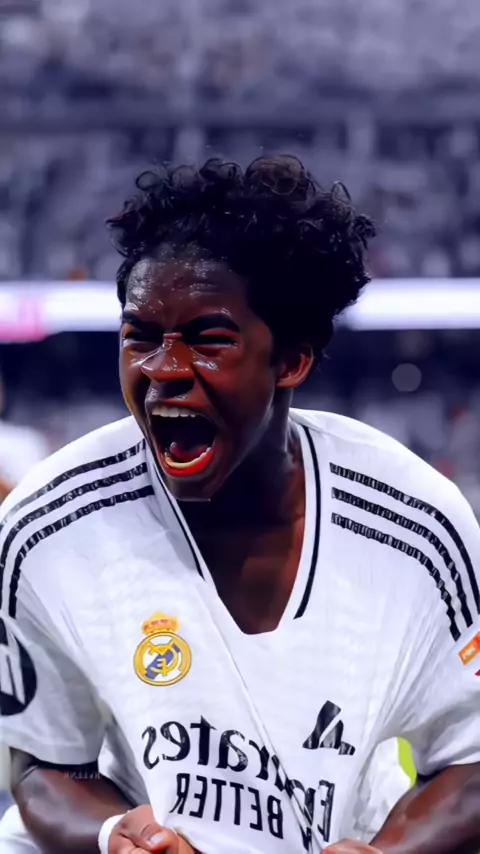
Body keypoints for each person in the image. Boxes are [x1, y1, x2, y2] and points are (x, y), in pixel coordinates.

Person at [0, 155, 479, 854]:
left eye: (208, 340)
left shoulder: (417, 525)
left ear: (291, 360)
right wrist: (113, 835)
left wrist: (390, 853)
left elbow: (471, 758)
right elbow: (43, 763)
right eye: (140, 337)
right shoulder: (49, 526)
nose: (163, 370)